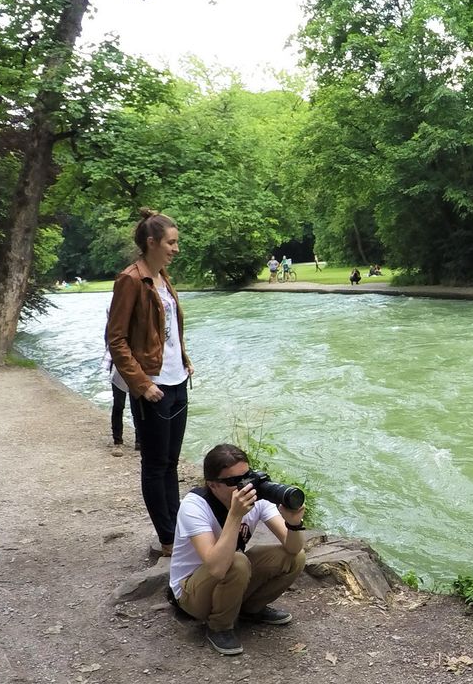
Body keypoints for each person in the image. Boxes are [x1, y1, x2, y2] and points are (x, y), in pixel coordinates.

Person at [106, 208, 194, 557]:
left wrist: (184, 364)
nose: (176, 249)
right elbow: (116, 338)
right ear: (151, 242)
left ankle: (177, 530)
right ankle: (168, 540)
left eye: (177, 243)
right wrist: (142, 384)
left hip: (177, 381)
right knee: (155, 465)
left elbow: (169, 333)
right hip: (153, 387)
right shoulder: (130, 279)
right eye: (171, 243)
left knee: (171, 462)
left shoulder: (162, 277)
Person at [169, 444, 307, 656]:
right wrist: (235, 515)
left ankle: (250, 610)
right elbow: (216, 569)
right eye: (235, 481)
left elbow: (293, 547)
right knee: (237, 562)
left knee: (294, 557)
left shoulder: (257, 498)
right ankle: (220, 627)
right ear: (213, 485)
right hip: (192, 592)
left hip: (227, 579)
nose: (246, 486)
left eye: (248, 476)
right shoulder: (194, 506)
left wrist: (294, 524)